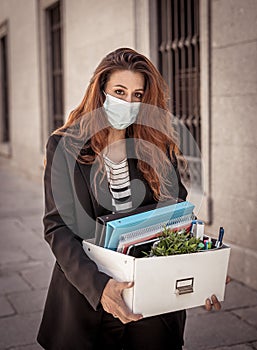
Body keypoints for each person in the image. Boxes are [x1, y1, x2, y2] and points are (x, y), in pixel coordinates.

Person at [37, 47, 224, 350]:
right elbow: (57, 228)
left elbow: (178, 218)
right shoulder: (65, 145)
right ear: (101, 91)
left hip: (154, 304)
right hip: (88, 302)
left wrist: (202, 271)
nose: (128, 102)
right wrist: (100, 289)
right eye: (119, 91)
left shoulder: (157, 145)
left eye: (137, 95)